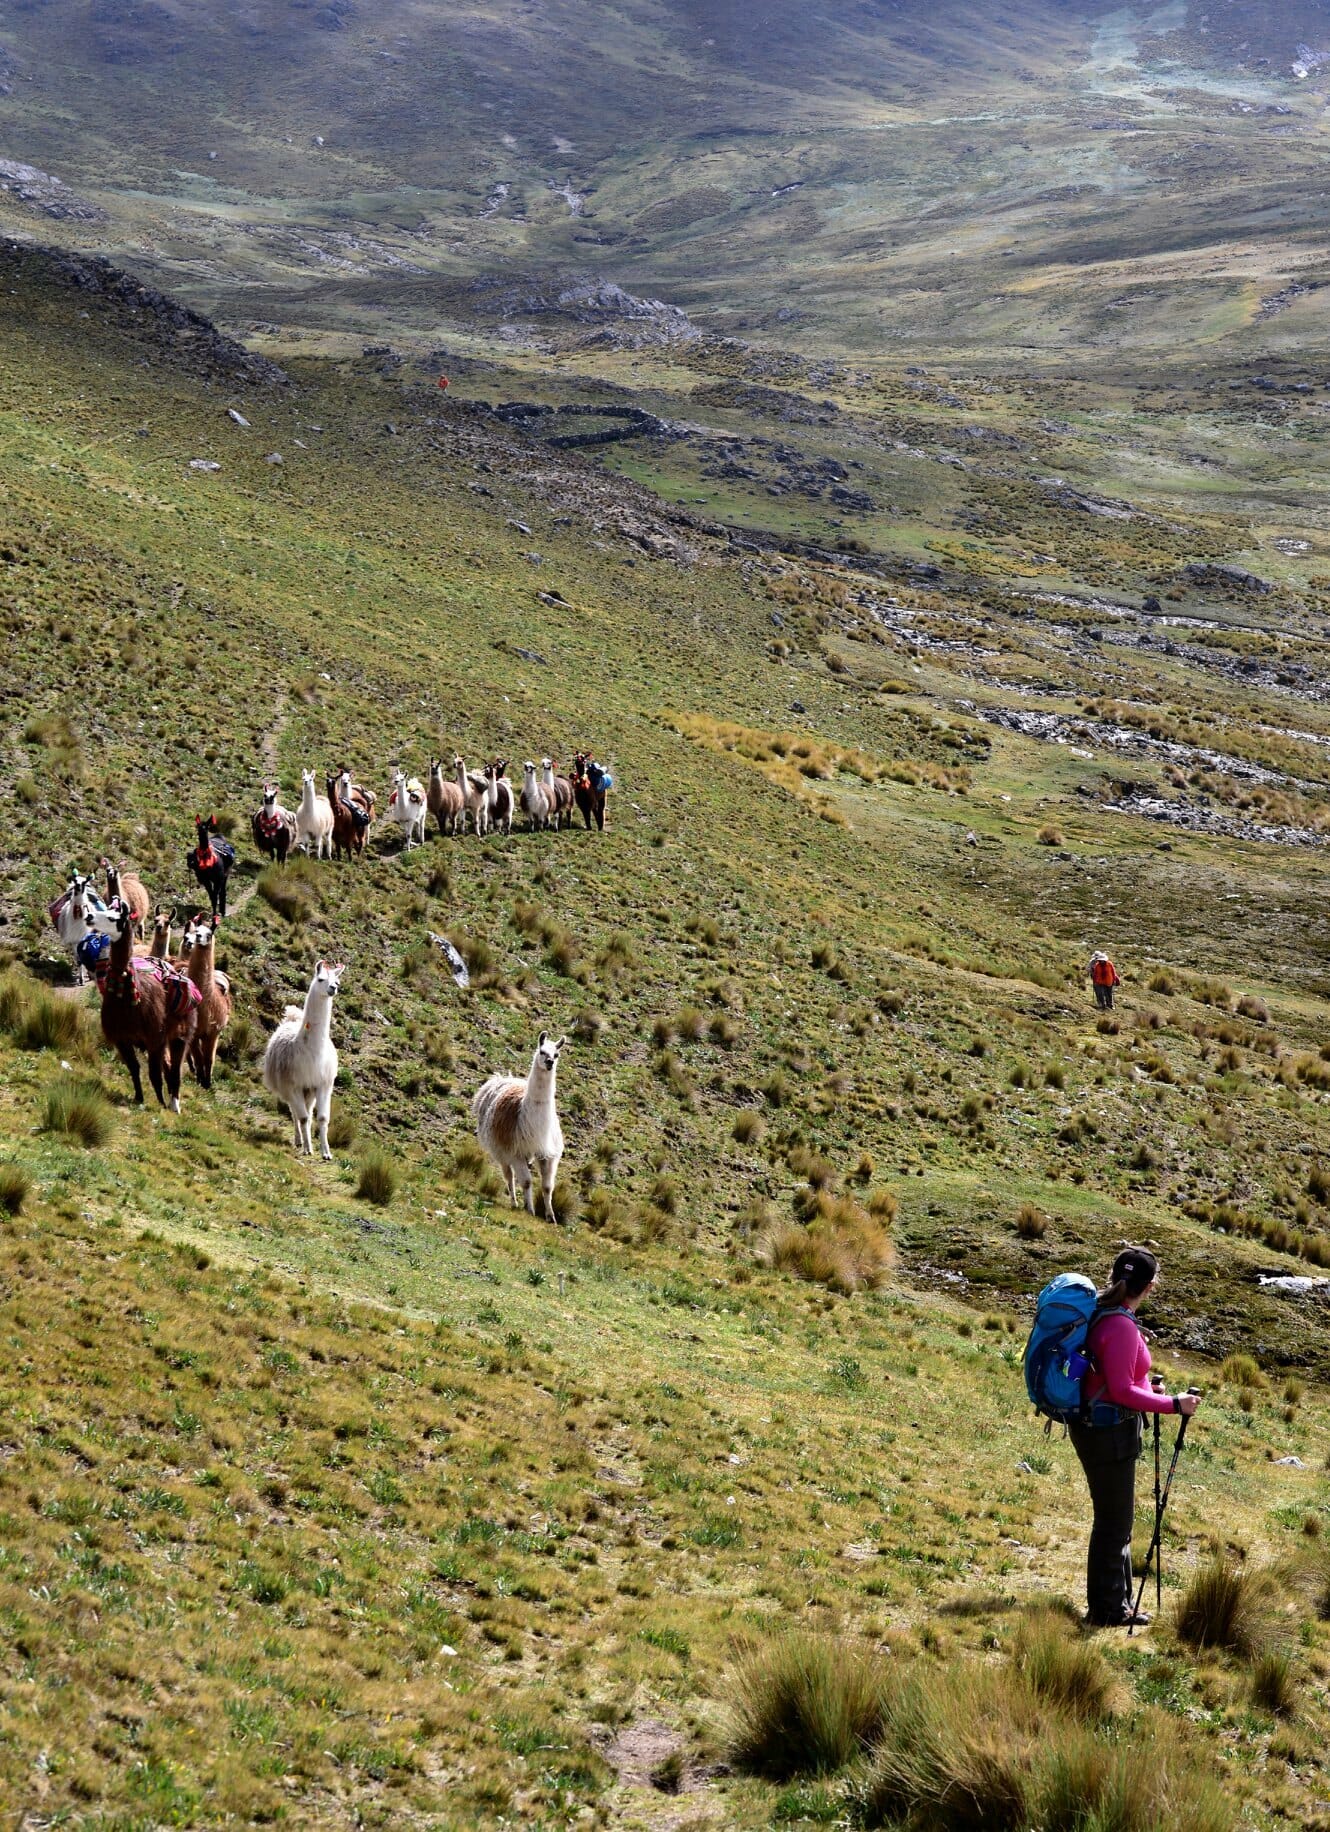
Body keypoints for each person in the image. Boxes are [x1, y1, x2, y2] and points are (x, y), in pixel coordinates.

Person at [1068, 1247, 1201, 1628]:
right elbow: (1122, 1390)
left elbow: (1119, 1380)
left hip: (1098, 1427)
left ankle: (1118, 1602)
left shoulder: (1101, 1314)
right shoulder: (1122, 1326)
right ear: (1151, 1286)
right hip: (1108, 1432)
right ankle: (1107, 1610)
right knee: (1114, 1522)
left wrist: (1152, 1390)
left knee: (1116, 1519)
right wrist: (1174, 1404)